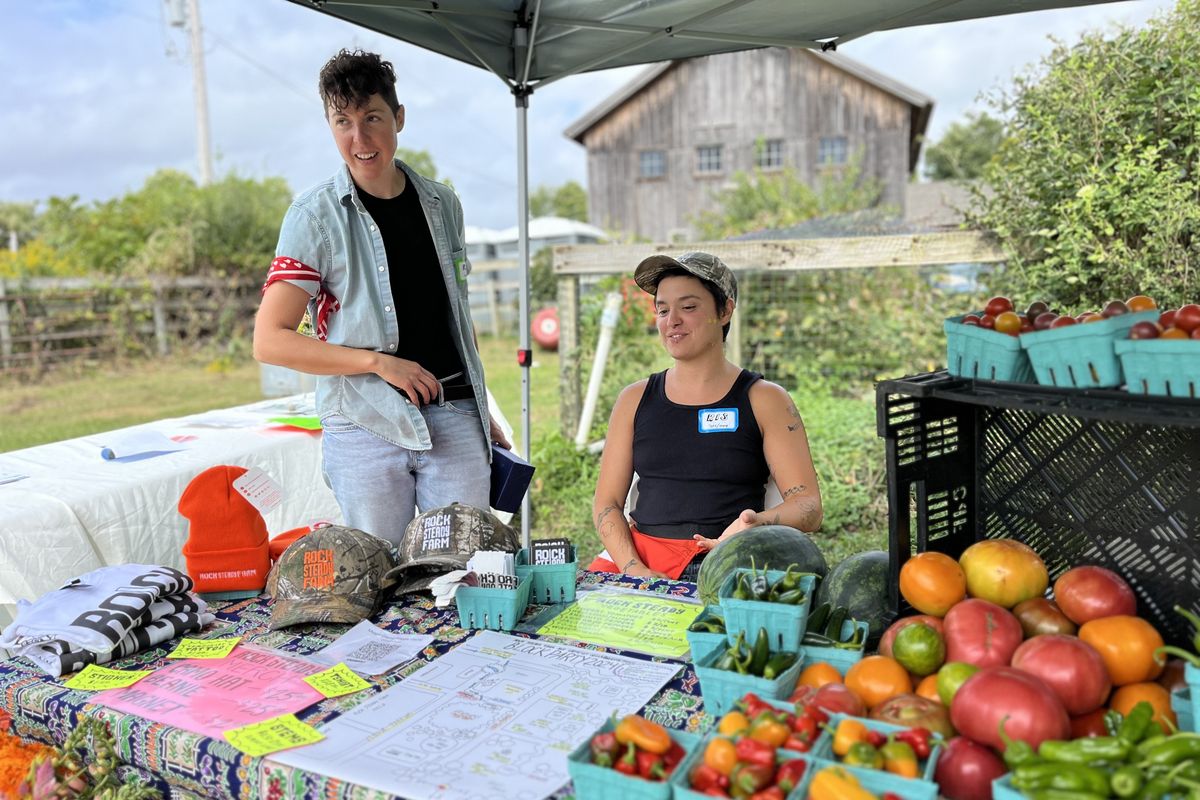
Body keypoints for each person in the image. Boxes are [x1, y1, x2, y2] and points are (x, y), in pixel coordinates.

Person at [253, 49, 508, 549]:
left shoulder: (443, 204)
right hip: (364, 422)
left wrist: (483, 411)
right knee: (379, 572)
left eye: (372, 118)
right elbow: (270, 340)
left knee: (463, 569)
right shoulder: (312, 216)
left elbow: (456, 317)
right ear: (330, 126)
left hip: (454, 415)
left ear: (399, 118)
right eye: (342, 122)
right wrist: (379, 363)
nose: (359, 138)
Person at [590, 252, 822, 581]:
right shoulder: (634, 399)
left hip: (730, 563)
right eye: (663, 310)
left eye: (688, 307)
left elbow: (808, 506)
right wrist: (635, 571)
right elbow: (607, 503)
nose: (672, 321)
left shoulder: (765, 399)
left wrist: (756, 522)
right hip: (642, 562)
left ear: (725, 311)